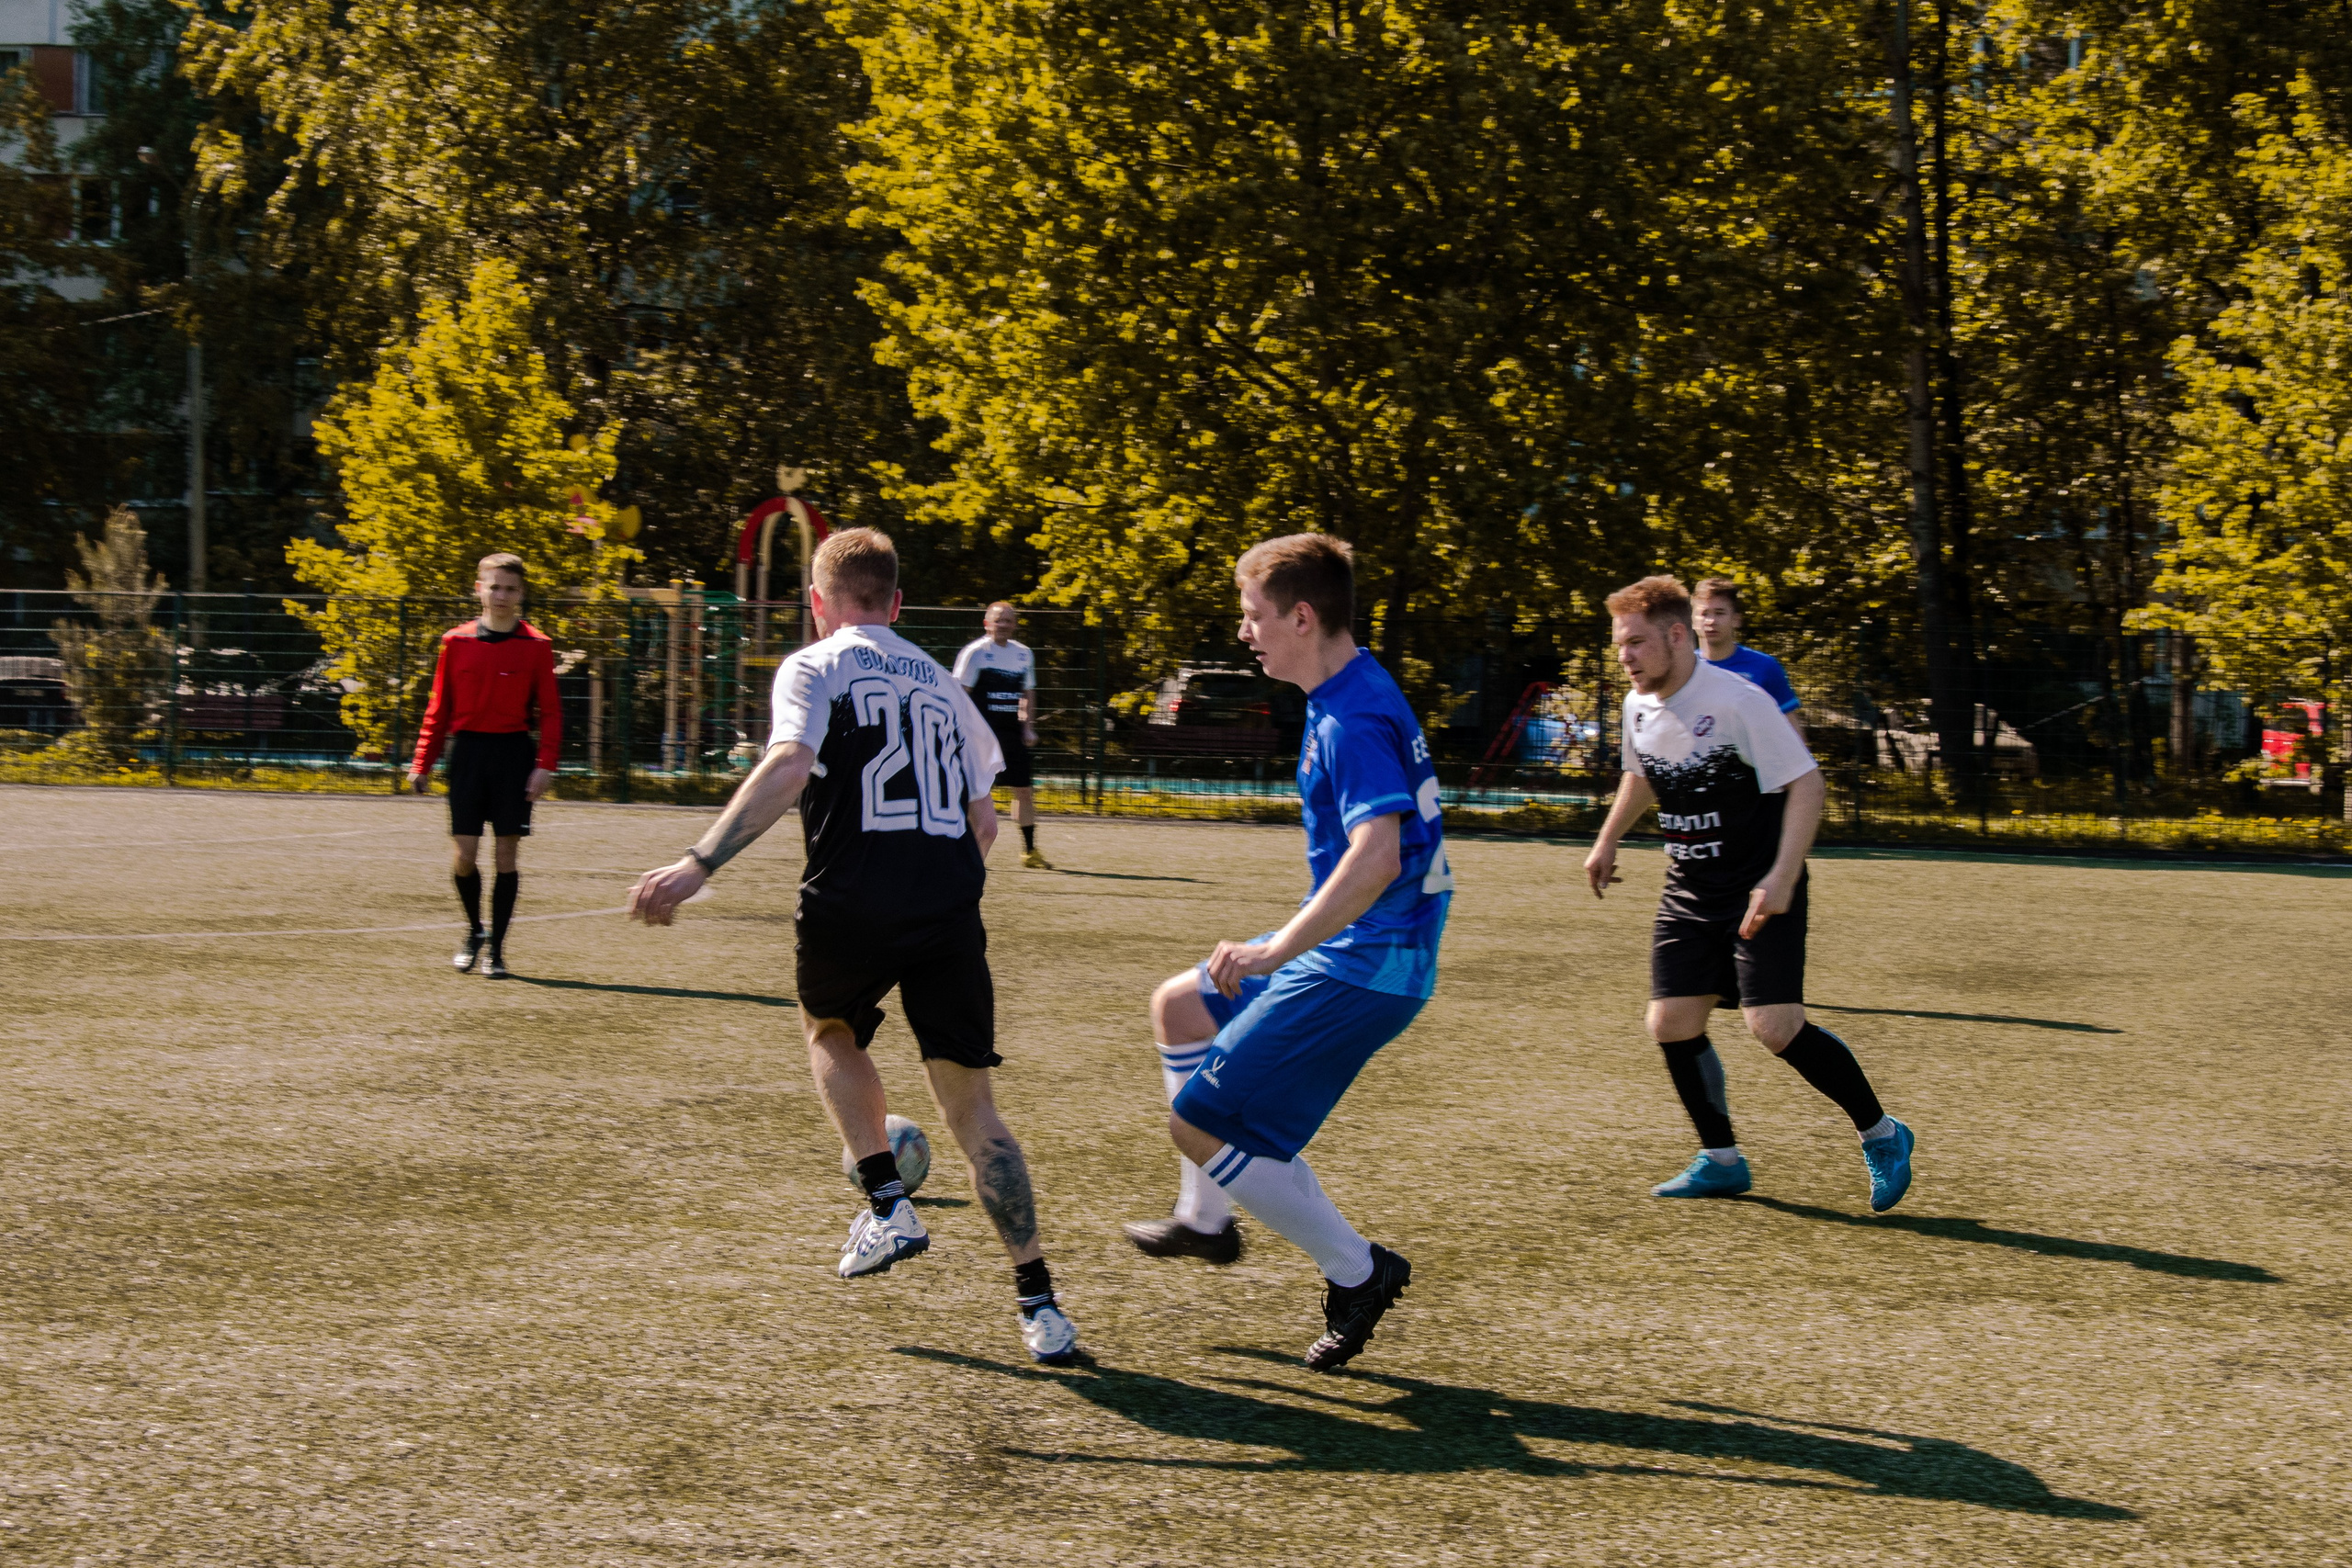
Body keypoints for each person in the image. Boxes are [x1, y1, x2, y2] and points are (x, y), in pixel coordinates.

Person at [625, 527, 1080, 1366]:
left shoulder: (818, 663)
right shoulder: (950, 685)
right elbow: (985, 819)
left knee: (831, 1030)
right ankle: (1042, 1307)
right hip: (948, 905)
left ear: (818, 604)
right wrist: (940, 884)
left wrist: (697, 863)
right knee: (975, 1111)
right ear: (898, 603)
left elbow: (791, 763)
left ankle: (887, 1204)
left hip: (851, 896)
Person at [1122, 533, 1452, 1373]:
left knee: (1199, 1121)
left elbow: (1377, 856)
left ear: (1302, 617)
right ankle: (1207, 1220)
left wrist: (1272, 952)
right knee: (1180, 1005)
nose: (1245, 632)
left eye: (1254, 615)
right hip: (1355, 947)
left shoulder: (1352, 715)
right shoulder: (1342, 692)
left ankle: (1359, 1270)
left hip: (1372, 963)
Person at [1582, 575, 1915, 1212]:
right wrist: (1608, 840)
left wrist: (1782, 877)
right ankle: (1722, 1159)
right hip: (1689, 887)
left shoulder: (1738, 700)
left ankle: (1883, 1132)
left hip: (1760, 884)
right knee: (1671, 1022)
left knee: (1776, 1026)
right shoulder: (1637, 704)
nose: (1624, 657)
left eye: (1636, 643)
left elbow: (1808, 785)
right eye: (1619, 645)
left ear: (1677, 636)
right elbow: (1640, 775)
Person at [410, 552, 561, 980]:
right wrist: (423, 761)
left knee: (507, 855)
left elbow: (550, 712)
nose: (501, 595)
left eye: (510, 588)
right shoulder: (455, 643)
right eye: (493, 586)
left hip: (513, 756)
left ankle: (496, 949)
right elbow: (438, 707)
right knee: (464, 856)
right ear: (479, 589)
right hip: (468, 756)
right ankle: (474, 930)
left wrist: (544, 764)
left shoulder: (536, 645)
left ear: (521, 594)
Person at [953, 602, 1050, 869]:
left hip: (1011, 736)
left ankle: (1030, 852)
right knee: (973, 794)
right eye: (998, 620)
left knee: (1024, 792)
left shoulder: (1024, 654)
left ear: (1015, 624)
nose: (1003, 625)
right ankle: (963, 850)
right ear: (987, 623)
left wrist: (1028, 726)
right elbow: (959, 694)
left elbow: (1028, 693)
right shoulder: (975, 653)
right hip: (980, 737)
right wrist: (962, 732)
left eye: (1008, 620)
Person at [1692, 577, 1803, 730]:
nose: (1711, 621)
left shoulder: (1765, 667)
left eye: (1719, 613)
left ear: (1736, 620)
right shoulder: (1683, 670)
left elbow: (1793, 734)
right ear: (1693, 620)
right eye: (1704, 613)